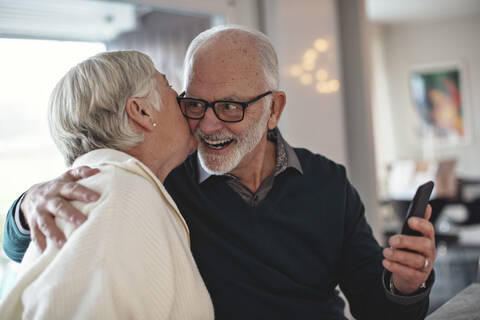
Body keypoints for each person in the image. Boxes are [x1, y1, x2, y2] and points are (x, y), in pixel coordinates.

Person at [3, 26, 436, 319]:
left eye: (230, 107)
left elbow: (376, 307)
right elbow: (38, 241)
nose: (208, 125)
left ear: (274, 109)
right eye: (193, 103)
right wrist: (26, 208)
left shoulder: (329, 183)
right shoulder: (164, 179)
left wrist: (404, 286)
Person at [0, 51, 214, 319]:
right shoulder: (118, 196)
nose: (183, 101)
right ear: (142, 112)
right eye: (169, 86)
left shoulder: (120, 187)